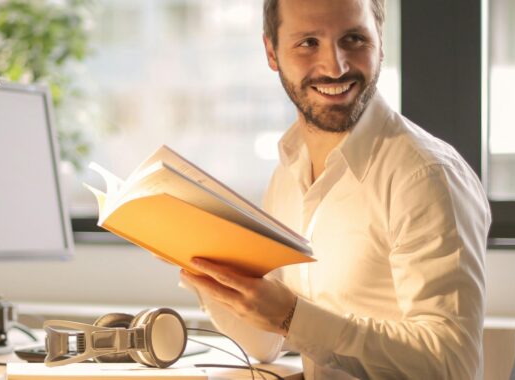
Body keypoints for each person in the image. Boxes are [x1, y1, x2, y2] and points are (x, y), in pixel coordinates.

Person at [179, 0, 490, 378]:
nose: (335, 66)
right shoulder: (288, 173)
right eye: (308, 42)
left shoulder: (426, 176)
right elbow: (264, 343)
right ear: (271, 53)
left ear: (380, 42)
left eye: (354, 39)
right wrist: (200, 263)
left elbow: (451, 364)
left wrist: (294, 316)